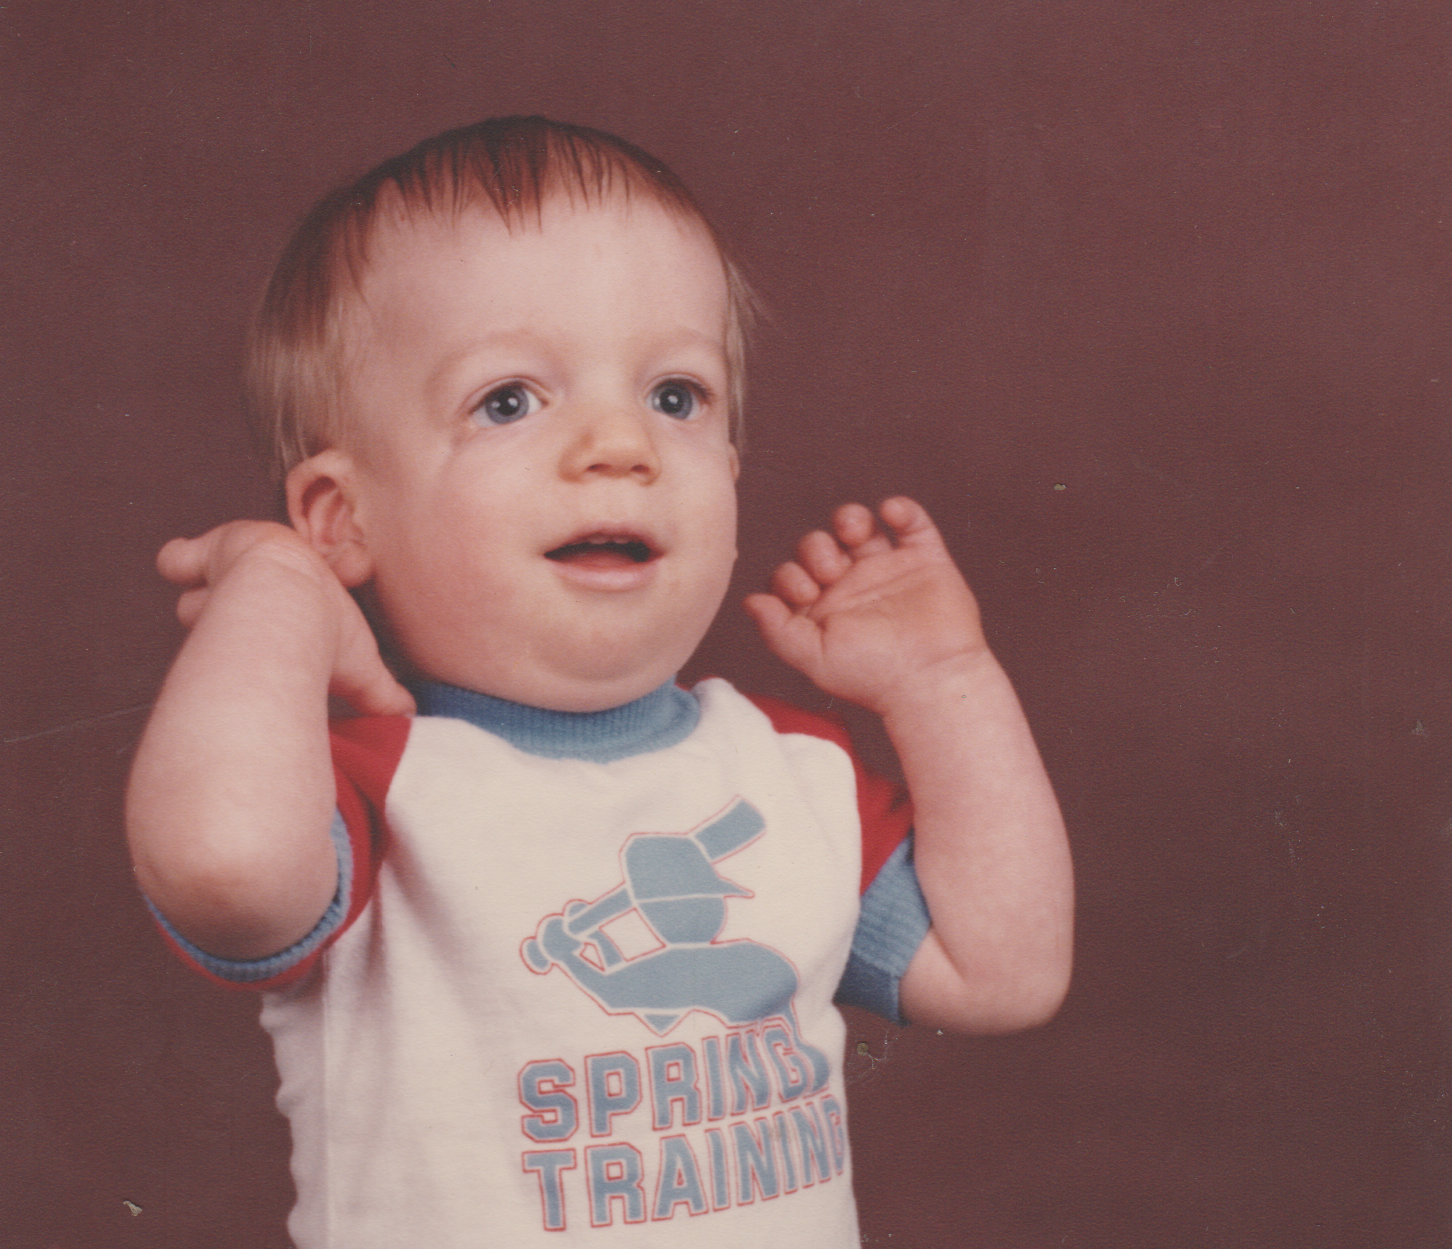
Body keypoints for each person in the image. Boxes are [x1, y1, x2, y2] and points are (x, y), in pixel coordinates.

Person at [125, 116, 1073, 1247]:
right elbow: (221, 861)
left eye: (677, 396)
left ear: (727, 470)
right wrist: (275, 590)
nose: (620, 442)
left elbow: (1004, 970)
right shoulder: (379, 788)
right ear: (344, 519)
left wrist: (946, 683)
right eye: (510, 401)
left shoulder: (791, 776)